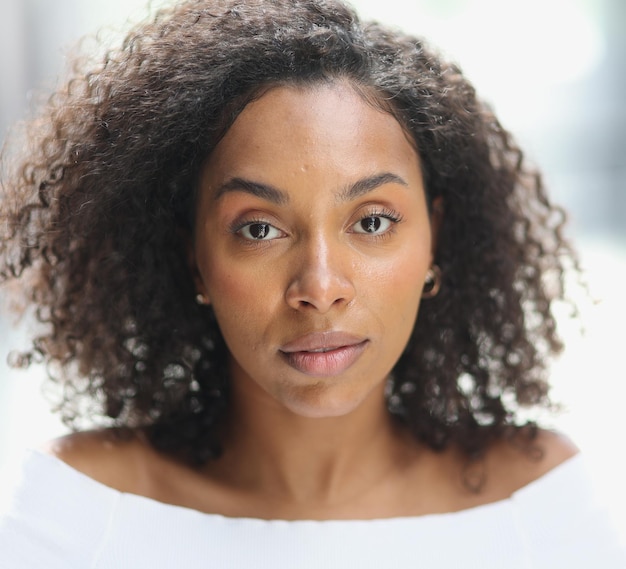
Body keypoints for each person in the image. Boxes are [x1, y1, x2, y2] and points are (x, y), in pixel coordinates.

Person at [0, 0, 623, 566]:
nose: (321, 287)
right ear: (194, 259)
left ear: (434, 237)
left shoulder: (539, 510)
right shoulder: (81, 515)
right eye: (259, 229)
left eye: (373, 221)